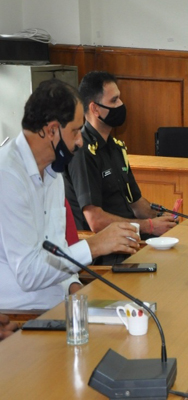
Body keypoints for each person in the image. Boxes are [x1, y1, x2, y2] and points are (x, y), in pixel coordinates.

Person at [0, 79, 139, 310]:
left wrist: (75, 288)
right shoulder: (8, 176)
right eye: (75, 131)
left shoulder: (53, 172)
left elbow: (58, 251)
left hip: (61, 304)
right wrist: (94, 246)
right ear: (52, 130)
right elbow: (28, 274)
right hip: (23, 315)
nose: (80, 141)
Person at [64, 72, 175, 262]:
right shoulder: (83, 151)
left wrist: (163, 217)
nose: (121, 105)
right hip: (106, 252)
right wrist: (149, 226)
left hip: (130, 240)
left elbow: (136, 203)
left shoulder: (116, 147)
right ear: (95, 109)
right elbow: (95, 221)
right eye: (114, 100)